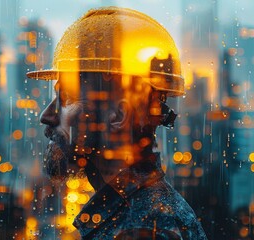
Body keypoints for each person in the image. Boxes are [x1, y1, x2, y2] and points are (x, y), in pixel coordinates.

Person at [26, 6, 207, 240]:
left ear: (118, 115)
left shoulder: (142, 230)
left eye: (68, 98)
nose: (47, 115)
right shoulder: (138, 215)